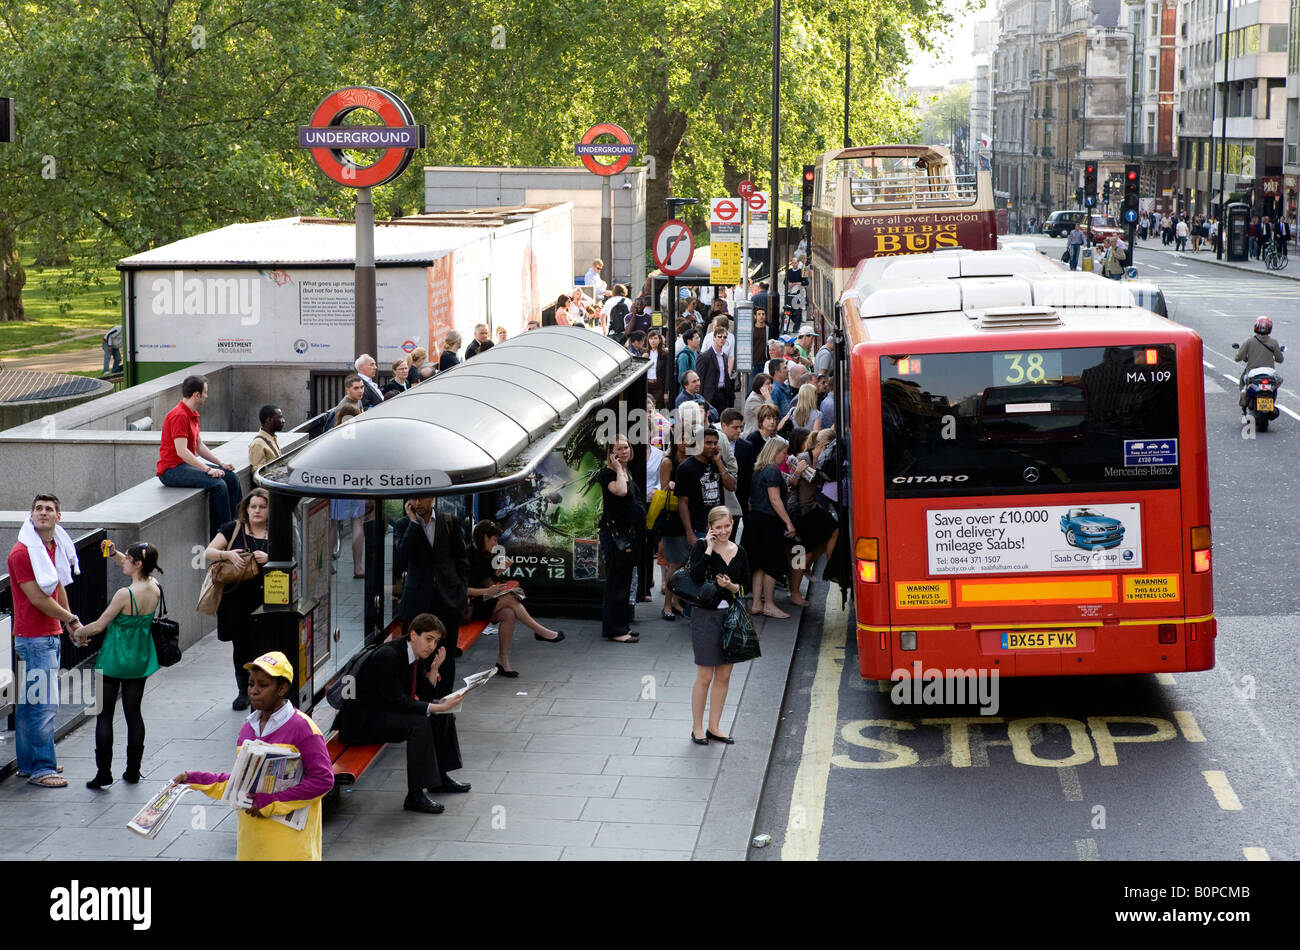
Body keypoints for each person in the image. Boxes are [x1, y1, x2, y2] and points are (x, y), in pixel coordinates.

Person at [177, 651, 334, 857]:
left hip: (290, 847)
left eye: (263, 685)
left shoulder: (303, 728)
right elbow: (240, 783)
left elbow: (323, 780)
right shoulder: (247, 729)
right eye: (251, 684)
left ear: (282, 688)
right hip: (252, 844)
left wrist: (272, 802)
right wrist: (194, 779)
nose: (254, 691)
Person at [72, 542, 162, 789]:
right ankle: (133, 770)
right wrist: (114, 553)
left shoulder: (125, 594)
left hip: (114, 658)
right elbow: (136, 564)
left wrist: (78, 631)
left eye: (127, 558)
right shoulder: (154, 586)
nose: (124, 561)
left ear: (138, 563)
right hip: (139, 659)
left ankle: (104, 773)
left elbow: (100, 625)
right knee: (134, 714)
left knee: (104, 715)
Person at [396, 496, 471, 793]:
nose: (419, 502)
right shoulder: (405, 525)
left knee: (444, 685)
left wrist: (460, 589)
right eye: (413, 498)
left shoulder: (449, 523)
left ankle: (442, 772)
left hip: (446, 606)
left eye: (424, 497)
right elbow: (403, 557)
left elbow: (461, 559)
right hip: (418, 609)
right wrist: (414, 525)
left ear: (434, 498)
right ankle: (431, 776)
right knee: (422, 685)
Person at [8, 492, 80, 787]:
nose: (43, 513)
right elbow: (38, 598)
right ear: (31, 514)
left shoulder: (53, 546)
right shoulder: (23, 553)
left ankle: (29, 763)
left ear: (58, 516)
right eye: (38, 508)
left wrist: (71, 622)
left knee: (28, 705)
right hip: (34, 638)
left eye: (49, 509)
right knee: (43, 705)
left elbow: (57, 586)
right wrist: (70, 619)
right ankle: (42, 769)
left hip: (47, 635)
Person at [467, 520, 564, 677]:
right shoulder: (467, 556)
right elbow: (461, 589)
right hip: (469, 606)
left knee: (509, 614)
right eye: (494, 540)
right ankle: (540, 631)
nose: (496, 543)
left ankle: (503, 660)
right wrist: (488, 591)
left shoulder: (484, 554)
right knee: (511, 598)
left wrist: (500, 570)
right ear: (485, 537)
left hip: (482, 600)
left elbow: (488, 580)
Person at [687, 506, 750, 746]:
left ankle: (714, 726)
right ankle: (697, 727)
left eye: (727, 526)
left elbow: (746, 586)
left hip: (732, 615)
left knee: (724, 674)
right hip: (705, 616)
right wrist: (710, 548)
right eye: (718, 527)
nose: (723, 531)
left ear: (733, 524)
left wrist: (734, 588)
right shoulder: (702, 547)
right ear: (711, 527)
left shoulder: (741, 551)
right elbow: (695, 578)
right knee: (704, 675)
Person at [204, 488, 271, 709]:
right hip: (236, 600)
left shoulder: (278, 532)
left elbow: (293, 557)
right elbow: (209, 552)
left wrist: (269, 558)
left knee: (263, 647)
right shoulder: (233, 529)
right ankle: (244, 690)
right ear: (246, 508)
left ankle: (262, 690)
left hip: (266, 598)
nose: (257, 511)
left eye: (262, 506)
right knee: (240, 646)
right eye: (253, 506)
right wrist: (228, 554)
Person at [156, 375, 242, 537]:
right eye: (205, 392)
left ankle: (238, 527)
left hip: (183, 466)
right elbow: (181, 451)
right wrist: (208, 469)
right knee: (219, 485)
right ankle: (222, 536)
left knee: (231, 477)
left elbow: (198, 446)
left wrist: (220, 464)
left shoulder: (192, 414)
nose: (207, 396)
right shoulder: (179, 416)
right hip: (171, 470)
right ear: (197, 395)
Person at [598, 436, 643, 642]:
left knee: (624, 582)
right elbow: (622, 491)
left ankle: (622, 625)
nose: (624, 451)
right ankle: (616, 630)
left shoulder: (627, 471)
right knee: (616, 582)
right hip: (614, 535)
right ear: (611, 452)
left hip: (628, 534)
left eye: (626, 447)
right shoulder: (609, 474)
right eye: (619, 449)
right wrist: (616, 467)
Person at [747, 436, 798, 618]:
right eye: (784, 453)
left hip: (755, 521)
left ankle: (756, 604)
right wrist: (788, 523)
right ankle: (769, 604)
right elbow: (775, 499)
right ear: (775, 452)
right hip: (768, 522)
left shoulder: (758, 470)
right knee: (772, 565)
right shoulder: (773, 471)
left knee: (759, 564)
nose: (785, 458)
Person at [788, 428, 839, 603]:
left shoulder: (821, 459)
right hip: (802, 511)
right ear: (824, 445)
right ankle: (795, 591)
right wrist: (797, 472)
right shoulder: (804, 458)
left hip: (812, 507)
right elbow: (791, 483)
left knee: (831, 532)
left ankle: (810, 568)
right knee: (804, 552)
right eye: (831, 448)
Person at [1235, 316, 1285, 405]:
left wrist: (1243, 357)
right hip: (1269, 373)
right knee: (1277, 382)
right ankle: (1271, 400)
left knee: (1243, 380)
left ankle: (1243, 393)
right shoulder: (1273, 342)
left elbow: (1238, 357)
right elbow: (1280, 359)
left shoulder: (1249, 341)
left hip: (1252, 372)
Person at [695, 326, 734, 416]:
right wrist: (700, 399)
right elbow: (700, 379)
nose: (722, 339)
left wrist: (730, 395)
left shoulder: (724, 356)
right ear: (714, 337)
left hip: (723, 394)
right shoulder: (704, 357)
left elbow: (725, 376)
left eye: (724, 337)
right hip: (710, 395)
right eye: (719, 337)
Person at [248, 404, 284, 470]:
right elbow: (258, 472)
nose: (283, 421)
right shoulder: (258, 444)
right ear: (269, 420)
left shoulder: (272, 437)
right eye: (280, 417)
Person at [646, 327, 670, 409]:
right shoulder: (645, 353)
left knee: (658, 409)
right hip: (647, 386)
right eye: (651, 338)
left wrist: (666, 392)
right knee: (647, 409)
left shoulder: (664, 354)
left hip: (659, 386)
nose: (653, 341)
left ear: (660, 340)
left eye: (655, 338)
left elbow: (667, 374)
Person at [751, 307, 770, 376]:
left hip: (765, 362)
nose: (761, 316)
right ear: (755, 316)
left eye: (763, 314)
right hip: (753, 363)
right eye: (759, 314)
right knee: (752, 385)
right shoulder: (750, 329)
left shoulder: (770, 329)